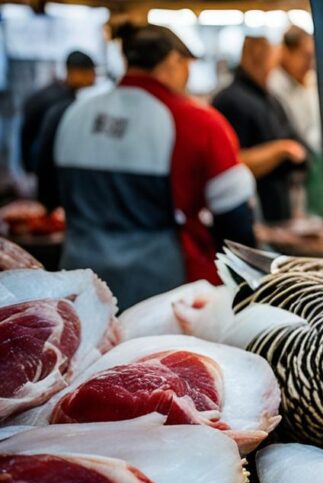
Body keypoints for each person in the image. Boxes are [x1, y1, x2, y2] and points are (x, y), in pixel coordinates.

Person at [51, 24, 256, 308]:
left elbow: (48, 196)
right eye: (188, 65)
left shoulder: (75, 115)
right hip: (167, 298)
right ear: (174, 60)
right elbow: (236, 222)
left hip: (80, 292)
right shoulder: (198, 123)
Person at [214, 36, 307, 223]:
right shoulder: (230, 100)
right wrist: (281, 150)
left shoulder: (270, 99)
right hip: (250, 211)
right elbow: (232, 162)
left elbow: (295, 140)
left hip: (279, 207)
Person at [268, 26, 323, 217]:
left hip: (314, 172)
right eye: (304, 56)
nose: (309, 64)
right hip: (289, 179)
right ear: (286, 51)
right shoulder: (274, 87)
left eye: (312, 57)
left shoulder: (309, 83)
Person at [19, 50, 96, 175]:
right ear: (74, 72)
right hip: (48, 166)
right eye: (90, 73)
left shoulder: (57, 93)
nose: (94, 79)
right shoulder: (59, 101)